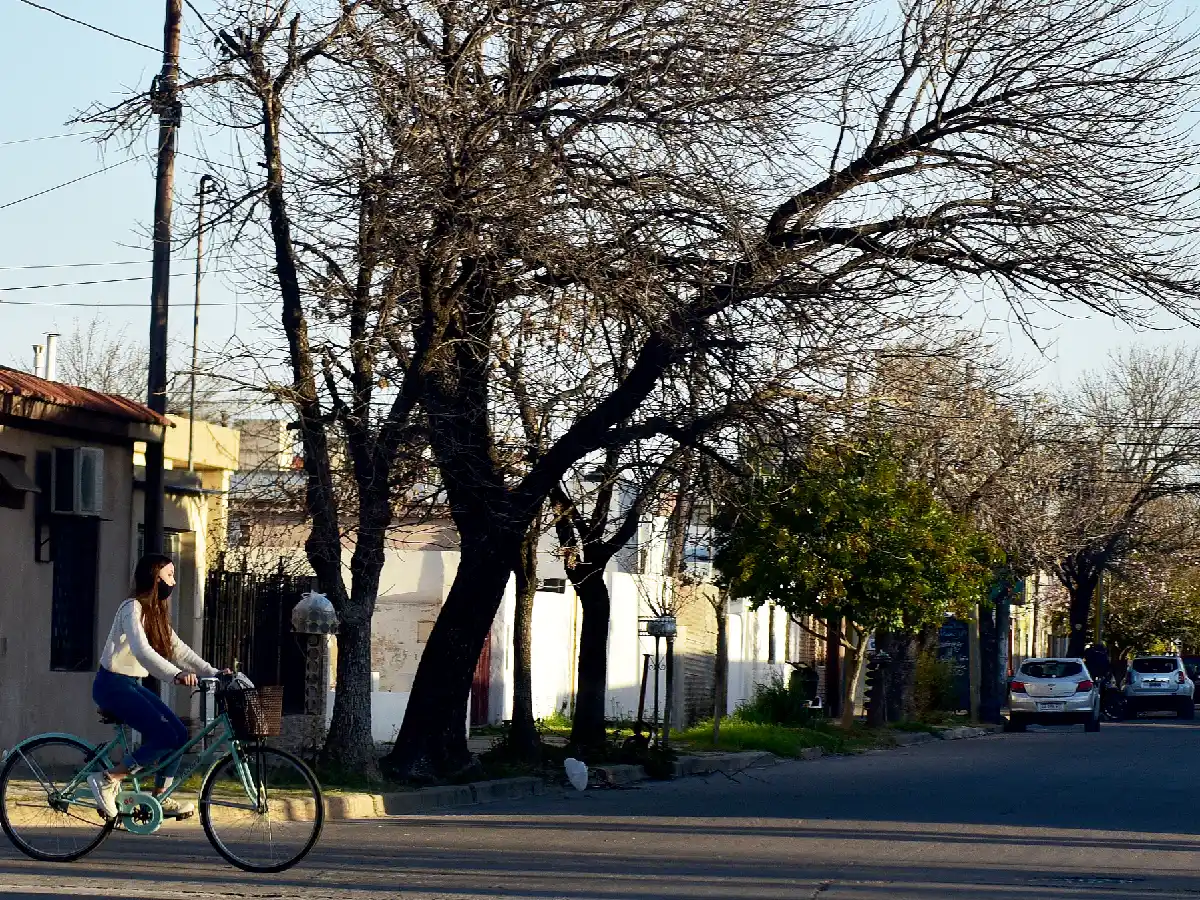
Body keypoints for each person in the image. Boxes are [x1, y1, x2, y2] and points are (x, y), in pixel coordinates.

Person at [87, 554, 225, 821]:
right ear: (154, 578)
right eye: (169, 575)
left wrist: (213, 672)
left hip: (128, 684)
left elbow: (178, 650)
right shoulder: (132, 608)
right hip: (111, 685)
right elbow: (142, 651)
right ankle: (109, 778)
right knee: (164, 735)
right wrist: (175, 676)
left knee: (178, 734)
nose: (173, 582)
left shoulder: (155, 614)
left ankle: (159, 798)